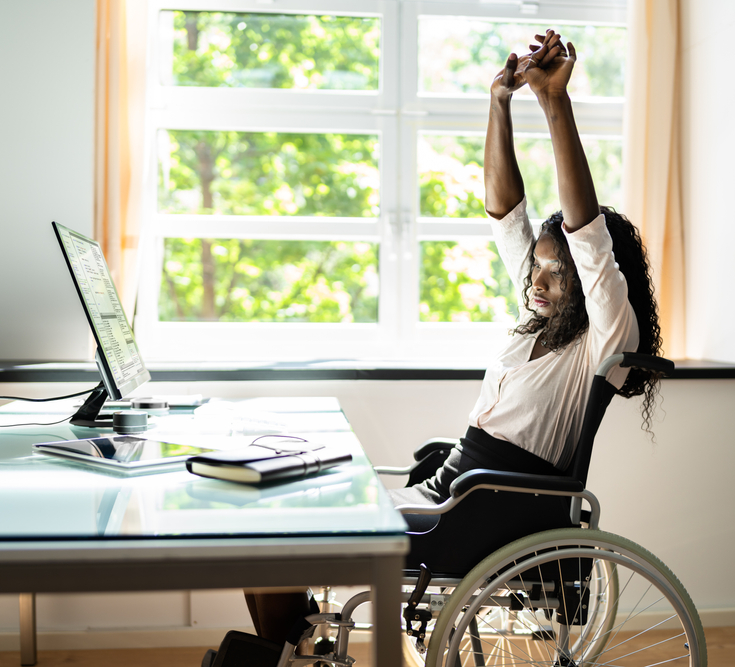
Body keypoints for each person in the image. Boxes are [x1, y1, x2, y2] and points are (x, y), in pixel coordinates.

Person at [239, 28, 663, 650]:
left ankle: (282, 649)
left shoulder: (603, 337)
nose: (539, 281)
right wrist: (500, 101)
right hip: (453, 489)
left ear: (592, 280)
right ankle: (289, 646)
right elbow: (505, 213)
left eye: (558, 270)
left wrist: (554, 105)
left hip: (480, 513)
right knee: (269, 529)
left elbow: (588, 236)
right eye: (538, 266)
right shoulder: (540, 324)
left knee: (276, 542)